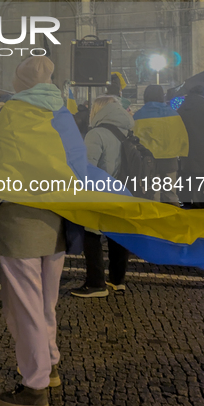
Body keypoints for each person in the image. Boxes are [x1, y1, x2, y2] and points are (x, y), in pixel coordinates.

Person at [0, 56, 65, 406]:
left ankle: (34, 388)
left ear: (20, 82)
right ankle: (49, 367)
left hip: (19, 220)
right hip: (56, 219)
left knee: (25, 306)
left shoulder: (13, 113)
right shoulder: (61, 113)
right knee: (46, 302)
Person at [71, 95, 133, 297]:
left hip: (101, 191)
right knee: (119, 234)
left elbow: (87, 167)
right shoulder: (127, 131)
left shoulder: (96, 134)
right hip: (124, 191)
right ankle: (117, 280)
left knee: (91, 234)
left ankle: (96, 283)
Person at [132, 85, 189, 205]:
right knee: (171, 194)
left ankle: (154, 221)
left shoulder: (138, 116)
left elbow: (134, 140)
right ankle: (173, 220)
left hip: (149, 162)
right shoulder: (174, 114)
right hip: (170, 160)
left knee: (153, 195)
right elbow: (182, 136)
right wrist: (182, 153)